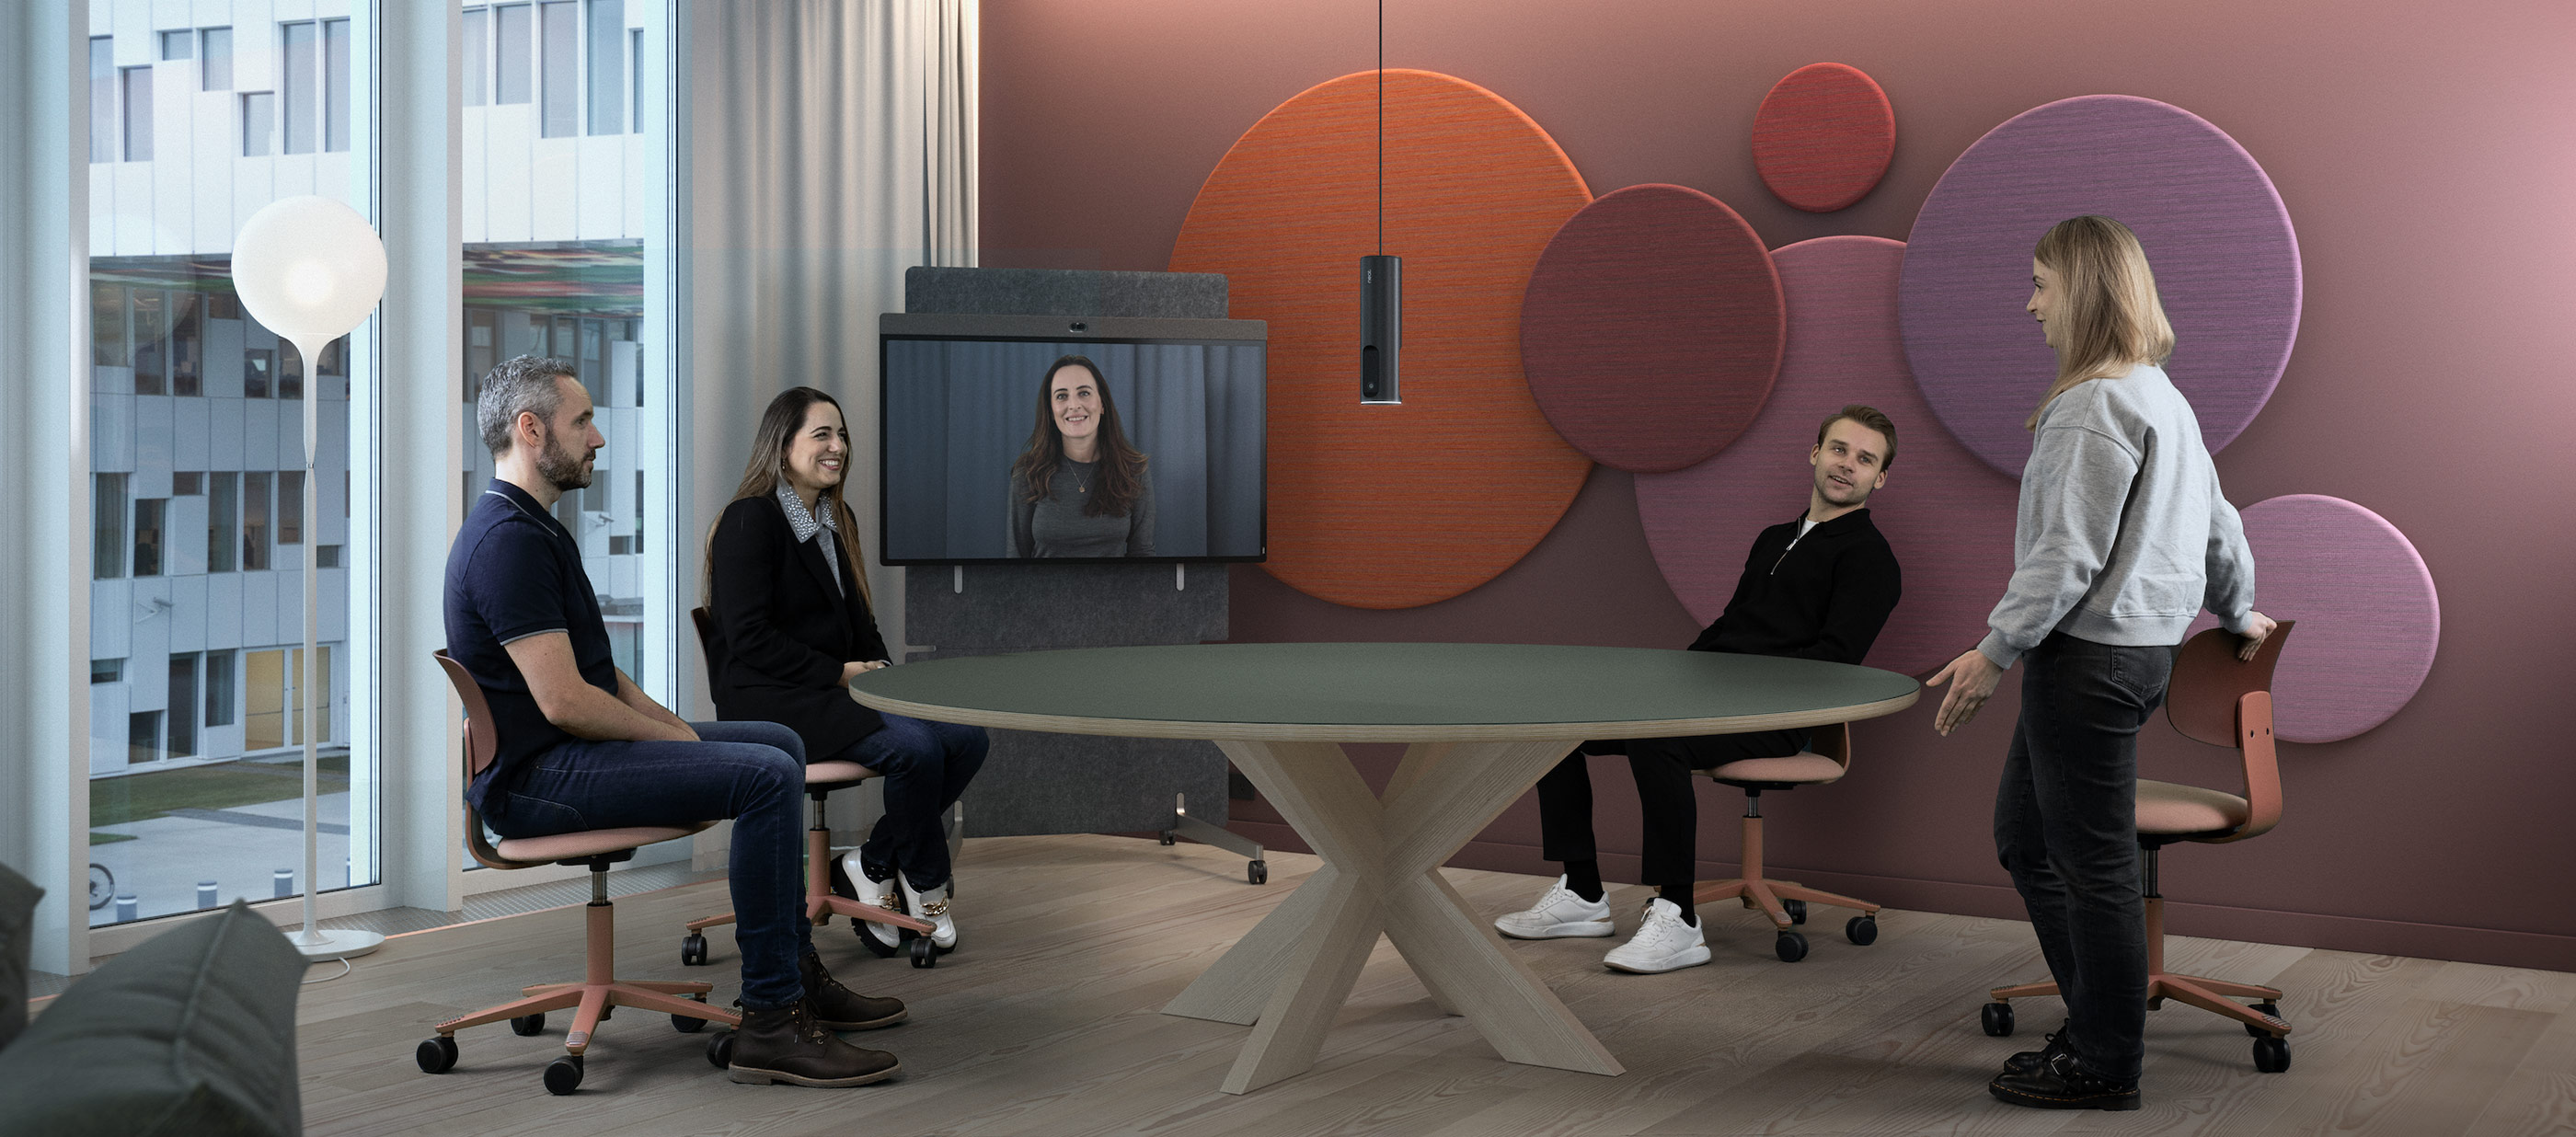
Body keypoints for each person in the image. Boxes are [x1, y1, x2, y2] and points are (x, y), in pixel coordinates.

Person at [443, 356, 905, 1089]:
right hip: (541, 780)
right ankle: (771, 1019)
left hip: (566, 759)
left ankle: (795, 973)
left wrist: (670, 722)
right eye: (583, 421)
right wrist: (675, 741)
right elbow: (564, 701)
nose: (598, 438)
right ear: (530, 431)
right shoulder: (508, 542)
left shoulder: (536, 529)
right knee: (763, 774)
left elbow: (600, 677)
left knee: (778, 742)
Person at [1924, 215, 2274, 1112]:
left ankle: (2104, 1059)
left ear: (2081, 292)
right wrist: (2236, 610)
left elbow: (2062, 557)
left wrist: (1990, 653)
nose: (2030, 302)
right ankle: (2096, 1021)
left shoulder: (2090, 407)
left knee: (2091, 864)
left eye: (2041, 283)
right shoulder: (2162, 396)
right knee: (2029, 838)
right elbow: (2220, 524)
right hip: (2134, 659)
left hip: (2083, 661)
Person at [1495, 406, 1903, 974]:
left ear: (1878, 479)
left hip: (1776, 717)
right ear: (1815, 454)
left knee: (1657, 741)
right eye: (1839, 450)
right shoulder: (1774, 539)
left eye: (1865, 459)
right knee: (1561, 725)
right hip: (1711, 699)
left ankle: (1679, 917)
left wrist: (1722, 700)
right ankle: (1583, 893)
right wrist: (1681, 684)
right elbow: (1727, 630)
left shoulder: (1870, 559)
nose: (1846, 466)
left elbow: (1833, 666)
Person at [705, 385, 988, 955]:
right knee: (915, 750)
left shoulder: (838, 518)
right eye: (822, 434)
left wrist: (884, 675)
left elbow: (862, 622)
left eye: (842, 435)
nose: (838, 446)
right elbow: (749, 639)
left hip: (837, 687)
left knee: (967, 739)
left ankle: (873, 861)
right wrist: (842, 674)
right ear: (783, 447)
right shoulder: (749, 520)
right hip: (770, 697)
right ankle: (928, 880)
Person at [1006, 354, 1156, 557]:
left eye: (1084, 393)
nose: (1074, 405)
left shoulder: (1134, 470)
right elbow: (1016, 556)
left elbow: (1143, 553)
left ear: (1102, 404)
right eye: (1061, 396)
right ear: (1050, 411)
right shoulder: (1027, 472)